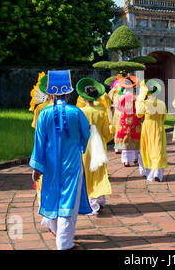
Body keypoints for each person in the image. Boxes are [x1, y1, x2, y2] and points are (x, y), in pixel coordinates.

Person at [29, 70, 92, 250]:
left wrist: (36, 166)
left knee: (52, 192)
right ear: (69, 92)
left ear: (50, 93)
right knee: (69, 198)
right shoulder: (76, 112)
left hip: (50, 162)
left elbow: (39, 142)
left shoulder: (44, 114)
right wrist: (79, 145)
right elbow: (85, 134)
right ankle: (64, 241)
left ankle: (53, 226)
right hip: (72, 161)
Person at [76, 78, 115, 214]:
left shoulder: (80, 111)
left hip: (85, 144)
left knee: (85, 170)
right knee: (99, 170)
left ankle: (87, 200)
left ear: (83, 96)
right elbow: (106, 132)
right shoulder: (101, 111)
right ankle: (98, 198)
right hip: (99, 143)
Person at [28, 72, 54, 206]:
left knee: (42, 175)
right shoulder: (65, 107)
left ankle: (43, 202)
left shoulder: (40, 108)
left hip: (44, 145)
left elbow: (37, 130)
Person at [136, 80, 168, 182]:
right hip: (159, 127)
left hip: (147, 127)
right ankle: (157, 173)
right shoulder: (162, 103)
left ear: (147, 93)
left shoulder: (144, 103)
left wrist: (140, 99)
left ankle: (148, 172)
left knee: (147, 149)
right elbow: (164, 117)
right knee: (158, 149)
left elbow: (139, 114)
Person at [114, 76, 142, 167]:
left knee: (126, 139)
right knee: (135, 137)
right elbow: (139, 109)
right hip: (135, 120)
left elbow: (118, 108)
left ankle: (126, 161)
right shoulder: (136, 97)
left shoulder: (121, 97)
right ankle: (136, 158)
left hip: (124, 120)